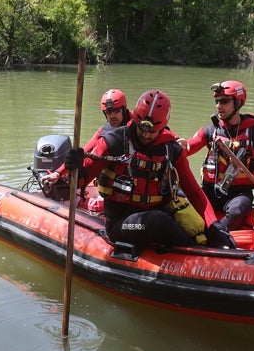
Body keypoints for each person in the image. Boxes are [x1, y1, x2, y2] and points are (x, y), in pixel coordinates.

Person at [50, 89, 211, 249]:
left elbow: (194, 192)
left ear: (162, 128)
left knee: (194, 225)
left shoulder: (171, 148)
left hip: (160, 212)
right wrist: (73, 167)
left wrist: (216, 228)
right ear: (135, 119)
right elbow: (79, 182)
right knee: (156, 222)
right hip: (122, 224)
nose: (146, 136)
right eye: (142, 129)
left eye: (152, 132)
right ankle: (195, 251)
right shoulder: (114, 141)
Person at [179, 80, 254, 247]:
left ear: (238, 102)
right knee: (182, 204)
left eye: (224, 101)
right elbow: (190, 146)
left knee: (239, 209)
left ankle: (212, 236)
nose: (218, 106)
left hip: (239, 194)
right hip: (210, 191)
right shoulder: (210, 131)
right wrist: (182, 145)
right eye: (217, 101)